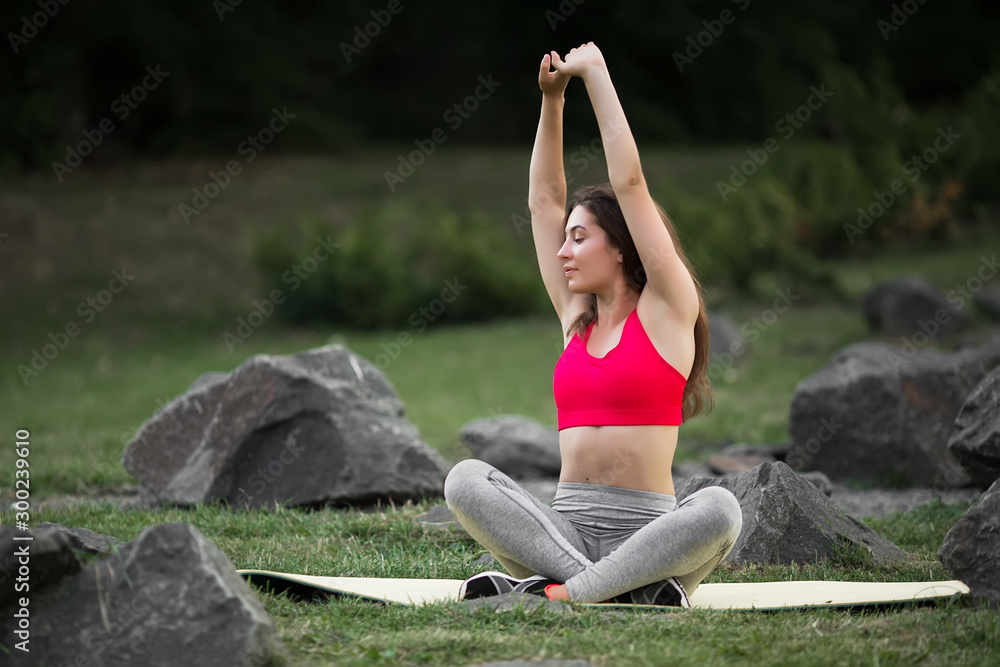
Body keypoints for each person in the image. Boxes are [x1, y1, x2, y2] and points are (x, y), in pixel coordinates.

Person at [443, 43, 743, 606]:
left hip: (650, 537)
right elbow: (544, 201)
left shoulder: (668, 309)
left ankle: (554, 593)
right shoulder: (576, 318)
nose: (563, 252)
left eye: (579, 238)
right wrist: (552, 101)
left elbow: (630, 184)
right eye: (565, 239)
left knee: (721, 509)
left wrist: (596, 74)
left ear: (623, 246)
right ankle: (617, 592)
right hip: (564, 533)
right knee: (464, 478)